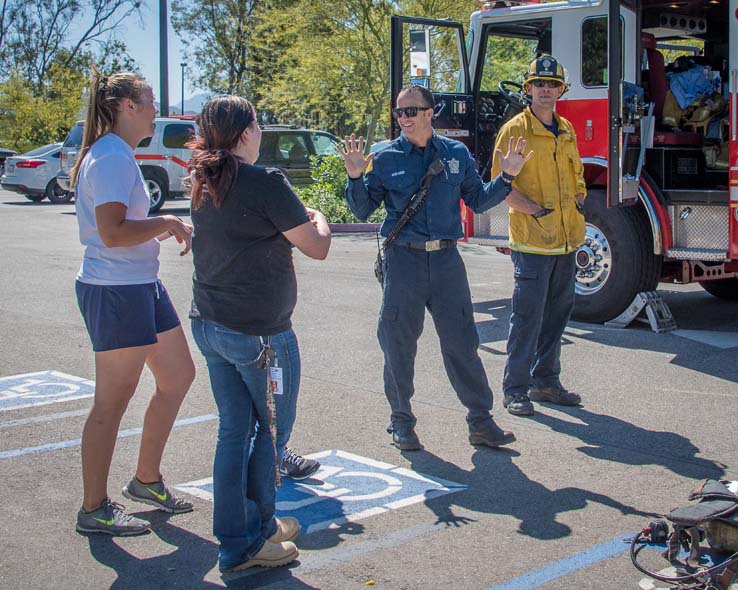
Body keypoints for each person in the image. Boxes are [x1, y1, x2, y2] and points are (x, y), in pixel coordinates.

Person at [339, 84, 535, 452]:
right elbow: (363, 210)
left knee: (462, 343)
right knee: (398, 345)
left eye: (411, 111)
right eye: (399, 113)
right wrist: (353, 177)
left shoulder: (455, 154)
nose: (404, 119)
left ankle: (480, 421)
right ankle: (401, 422)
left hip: (446, 261)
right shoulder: (384, 158)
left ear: (431, 113)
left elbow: (477, 200)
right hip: (404, 261)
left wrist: (507, 177)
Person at [188, 95, 331, 572]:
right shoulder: (265, 182)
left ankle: (250, 530)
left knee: (235, 433)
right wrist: (319, 218)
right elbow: (316, 248)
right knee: (268, 436)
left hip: (210, 325)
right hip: (260, 337)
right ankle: (247, 543)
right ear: (248, 132)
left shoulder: (202, 179)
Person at [72, 67, 196, 536]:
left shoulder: (118, 154)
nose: (156, 111)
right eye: (150, 103)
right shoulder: (109, 158)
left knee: (179, 375)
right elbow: (112, 232)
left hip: (142, 284)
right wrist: (166, 222)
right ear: (128, 106)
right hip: (114, 289)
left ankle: (145, 480)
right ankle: (94, 508)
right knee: (112, 401)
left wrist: (164, 225)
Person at [491, 55, 586, 417]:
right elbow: (501, 186)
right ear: (528, 88)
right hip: (532, 242)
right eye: (539, 84)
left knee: (557, 316)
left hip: (566, 241)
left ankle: (546, 381)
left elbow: (576, 175)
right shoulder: (515, 130)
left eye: (552, 84)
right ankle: (515, 389)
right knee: (527, 318)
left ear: (561, 90)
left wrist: (578, 197)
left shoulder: (567, 129)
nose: (545, 90)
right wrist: (538, 211)